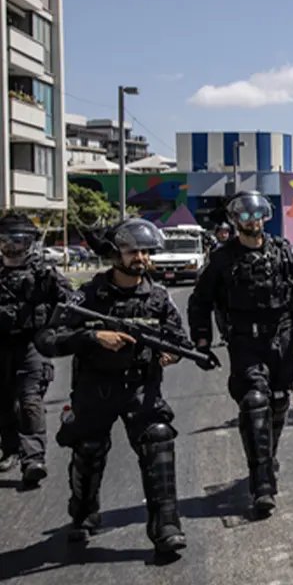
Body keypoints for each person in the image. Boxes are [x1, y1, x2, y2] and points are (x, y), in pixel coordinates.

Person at [36, 219, 217, 555]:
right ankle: (83, 514)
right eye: (133, 251)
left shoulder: (158, 298)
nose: (140, 258)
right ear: (115, 254)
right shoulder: (87, 296)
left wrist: (170, 355)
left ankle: (166, 526)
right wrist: (92, 337)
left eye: (146, 252)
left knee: (159, 441)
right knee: (88, 450)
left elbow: (177, 339)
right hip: (95, 388)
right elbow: (48, 339)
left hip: (141, 388)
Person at [188, 191, 293, 519]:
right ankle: (261, 482)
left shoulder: (282, 251)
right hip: (244, 340)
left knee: (278, 401)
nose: (254, 222)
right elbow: (200, 300)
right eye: (246, 217)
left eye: (258, 216)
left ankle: (268, 456)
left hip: (281, 338)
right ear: (236, 221)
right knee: (253, 402)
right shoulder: (223, 258)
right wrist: (202, 338)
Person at [0, 213, 73, 487]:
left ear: (29, 242)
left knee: (29, 401)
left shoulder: (44, 273)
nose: (12, 246)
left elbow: (71, 301)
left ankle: (33, 459)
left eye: (19, 240)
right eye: (7, 240)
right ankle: (10, 449)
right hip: (1, 344)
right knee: (4, 402)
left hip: (32, 343)